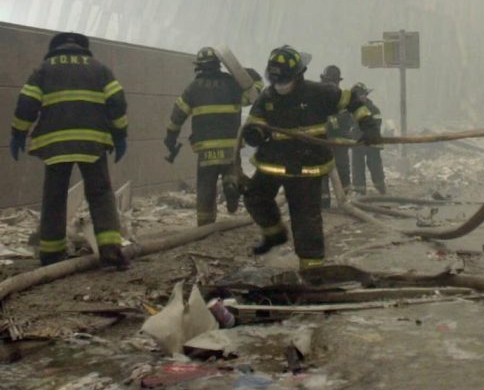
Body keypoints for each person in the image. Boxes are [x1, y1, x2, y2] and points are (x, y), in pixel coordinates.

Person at [242, 45, 382, 271]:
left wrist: (369, 126)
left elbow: (353, 100)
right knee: (254, 196)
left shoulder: (320, 93)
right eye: (276, 80)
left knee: (305, 218)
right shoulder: (267, 97)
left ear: (298, 75)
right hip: (274, 161)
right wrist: (255, 133)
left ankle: (312, 268)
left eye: (285, 80)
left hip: (307, 165)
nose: (280, 86)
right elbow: (255, 122)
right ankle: (274, 234)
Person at [10, 32, 129, 269]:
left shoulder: (43, 70)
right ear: (83, 49)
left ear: (56, 48)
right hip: (92, 143)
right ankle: (110, 252)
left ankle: (51, 255)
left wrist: (18, 133)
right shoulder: (100, 69)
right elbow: (117, 102)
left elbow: (26, 105)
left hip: (56, 145)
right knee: (101, 194)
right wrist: (120, 135)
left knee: (54, 197)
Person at [163, 48, 260, 225]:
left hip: (206, 149)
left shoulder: (193, 89)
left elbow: (177, 115)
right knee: (232, 170)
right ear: (218, 65)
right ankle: (231, 185)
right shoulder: (233, 84)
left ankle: (205, 223)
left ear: (199, 67)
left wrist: (170, 137)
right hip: (231, 145)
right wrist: (250, 75)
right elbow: (254, 96)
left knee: (205, 186)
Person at [319, 64, 355, 207]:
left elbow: (346, 119)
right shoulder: (317, 96)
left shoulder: (342, 98)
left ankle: (343, 198)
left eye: (333, 81)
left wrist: (331, 122)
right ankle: (324, 200)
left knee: (342, 169)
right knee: (322, 170)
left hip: (338, 143)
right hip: (322, 142)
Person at [351, 85, 388, 195]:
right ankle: (359, 190)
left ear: (365, 96)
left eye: (361, 95)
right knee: (357, 166)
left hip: (372, 143)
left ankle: (380, 186)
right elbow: (350, 125)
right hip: (358, 143)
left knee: (375, 165)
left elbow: (376, 125)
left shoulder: (373, 109)